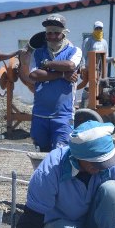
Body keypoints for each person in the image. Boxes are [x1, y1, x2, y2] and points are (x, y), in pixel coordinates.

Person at [28, 14, 82, 152]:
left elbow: (70, 66)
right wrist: (62, 75)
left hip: (63, 115)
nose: (52, 36)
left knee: (61, 155)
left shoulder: (74, 51)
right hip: (40, 114)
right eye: (49, 33)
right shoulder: (38, 53)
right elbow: (34, 74)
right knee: (42, 154)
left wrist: (46, 64)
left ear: (63, 34)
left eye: (56, 33)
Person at [80, 21, 109, 108]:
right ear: (94, 29)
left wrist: (112, 60)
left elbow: (105, 57)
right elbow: (83, 55)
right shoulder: (88, 40)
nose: (98, 30)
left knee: (100, 86)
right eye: (97, 28)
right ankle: (84, 104)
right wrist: (83, 66)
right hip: (89, 67)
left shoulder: (104, 42)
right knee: (89, 86)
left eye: (100, 28)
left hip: (100, 69)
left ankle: (97, 103)